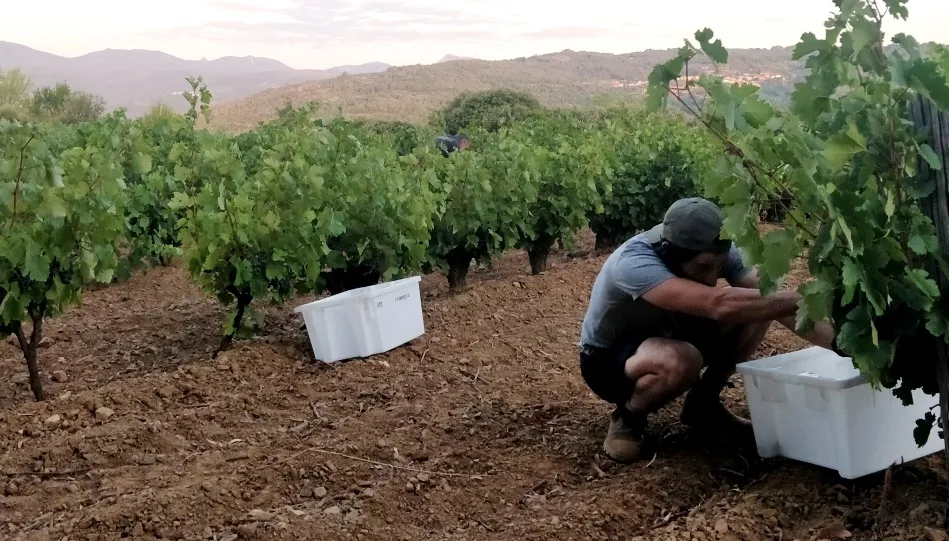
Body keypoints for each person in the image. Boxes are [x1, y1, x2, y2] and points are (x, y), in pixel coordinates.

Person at [578, 197, 837, 463]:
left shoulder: (713, 249)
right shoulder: (634, 263)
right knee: (683, 359)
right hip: (607, 361)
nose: (713, 277)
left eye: (719, 266)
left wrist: (842, 345)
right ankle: (628, 418)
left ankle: (703, 405)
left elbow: (769, 298)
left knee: (758, 308)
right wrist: (809, 296)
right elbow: (716, 304)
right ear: (671, 254)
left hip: (668, 333)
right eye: (702, 267)